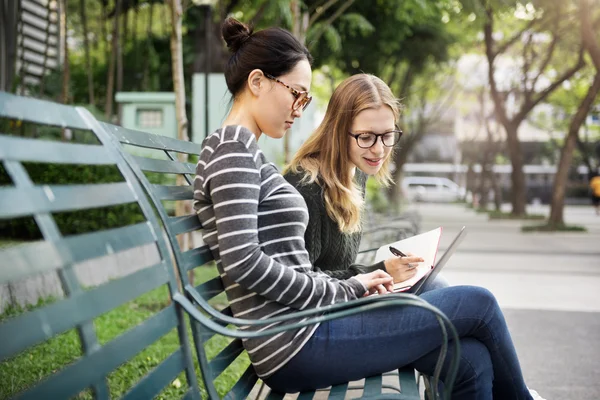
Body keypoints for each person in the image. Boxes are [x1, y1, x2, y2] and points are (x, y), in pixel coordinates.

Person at [193, 17, 546, 400]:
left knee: (471, 359)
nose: (299, 108)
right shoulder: (232, 149)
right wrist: (351, 287)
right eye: (296, 93)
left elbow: (270, 261)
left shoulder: (244, 151)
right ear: (258, 82)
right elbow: (244, 262)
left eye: (306, 99)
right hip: (298, 342)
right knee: (479, 302)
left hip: (310, 327)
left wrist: (359, 283)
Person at [284, 73, 448, 293]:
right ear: (338, 133)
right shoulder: (307, 188)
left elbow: (337, 268)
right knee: (477, 302)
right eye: (366, 137)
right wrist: (379, 271)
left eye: (387, 135)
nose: (379, 149)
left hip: (348, 301)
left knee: (435, 284)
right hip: (322, 316)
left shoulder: (356, 174)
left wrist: (384, 271)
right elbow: (299, 282)